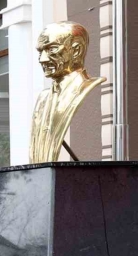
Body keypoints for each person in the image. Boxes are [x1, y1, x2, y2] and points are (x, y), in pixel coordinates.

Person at [30, 21, 105, 163]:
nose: (42, 59)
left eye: (52, 49)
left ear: (76, 51)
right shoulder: (43, 98)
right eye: (40, 52)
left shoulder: (86, 88)